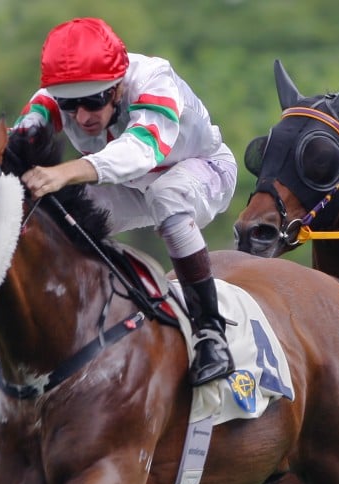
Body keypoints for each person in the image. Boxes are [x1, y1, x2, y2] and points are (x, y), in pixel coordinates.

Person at [13, 17, 237, 385]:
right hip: (132, 185)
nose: (83, 116)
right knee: (60, 214)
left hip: (201, 169)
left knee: (167, 195)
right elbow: (14, 145)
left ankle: (211, 333)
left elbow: (142, 151)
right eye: (70, 104)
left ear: (117, 86)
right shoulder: (51, 99)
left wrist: (66, 171)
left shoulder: (154, 80)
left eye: (93, 100)